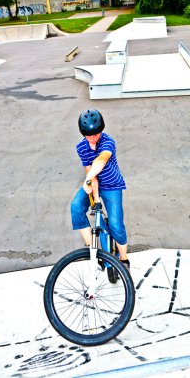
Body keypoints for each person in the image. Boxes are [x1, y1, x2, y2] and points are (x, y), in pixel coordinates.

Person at [71, 109, 130, 271]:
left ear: (101, 130)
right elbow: (91, 172)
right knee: (76, 207)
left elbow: (100, 161)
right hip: (93, 182)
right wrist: (95, 198)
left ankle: (124, 260)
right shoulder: (81, 147)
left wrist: (88, 179)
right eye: (88, 135)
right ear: (83, 133)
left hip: (112, 185)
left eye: (96, 134)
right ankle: (94, 250)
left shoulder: (107, 141)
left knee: (117, 225)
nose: (93, 138)